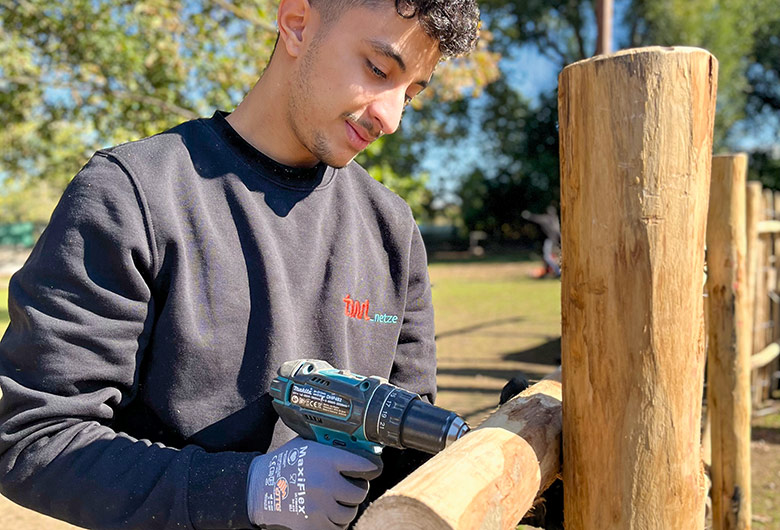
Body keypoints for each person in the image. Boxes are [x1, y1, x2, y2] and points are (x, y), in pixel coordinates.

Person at [0, 1, 480, 529]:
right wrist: (248, 489)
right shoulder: (131, 194)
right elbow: (35, 437)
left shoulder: (392, 228)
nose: (390, 117)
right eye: (379, 70)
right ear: (297, 23)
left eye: (409, 93)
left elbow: (406, 438)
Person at [522, 205, 561, 278]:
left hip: (549, 241)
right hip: (555, 242)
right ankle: (550, 271)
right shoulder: (555, 220)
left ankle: (557, 271)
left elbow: (536, 218)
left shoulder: (546, 219)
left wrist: (528, 216)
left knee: (547, 257)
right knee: (551, 257)